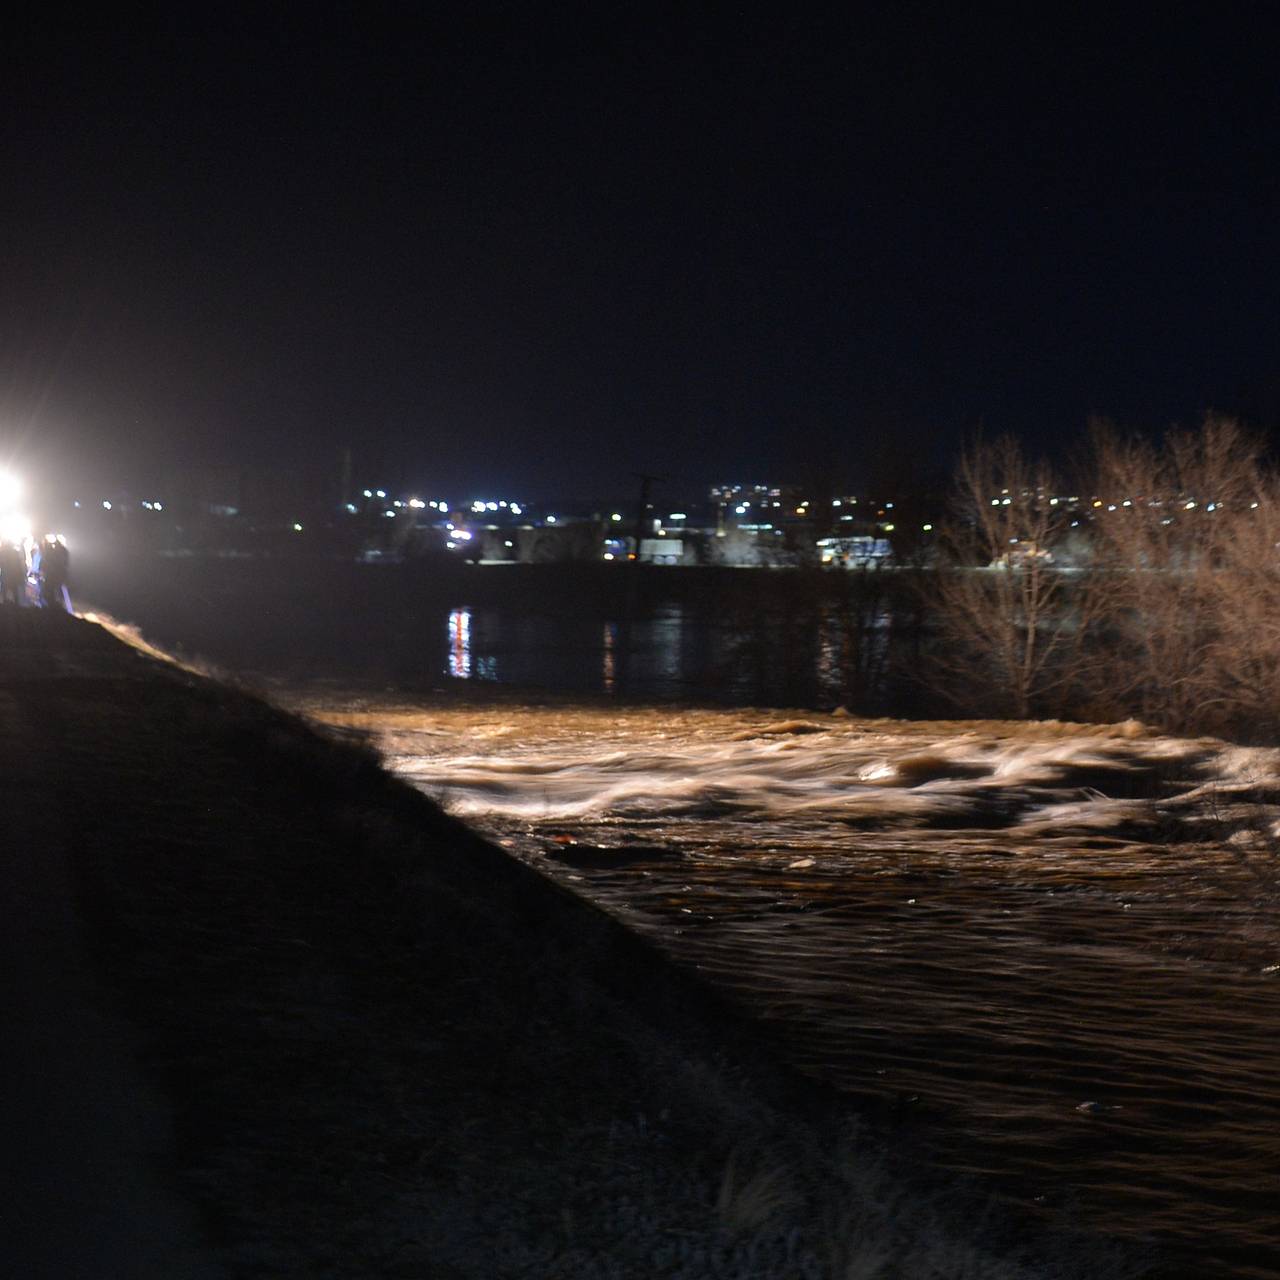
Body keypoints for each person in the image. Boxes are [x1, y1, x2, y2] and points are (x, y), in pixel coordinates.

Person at [41, 535, 70, 610]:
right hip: (59, 573)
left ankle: (54, 606)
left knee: (51, 589)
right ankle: (55, 605)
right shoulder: (63, 550)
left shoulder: (58, 551)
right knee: (54, 590)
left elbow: (52, 561)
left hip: (55, 573)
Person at [0, 540, 27, 605]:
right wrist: (22, 575)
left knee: (4, 591)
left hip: (5, 575)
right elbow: (18, 565)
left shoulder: (2, 553)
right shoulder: (15, 553)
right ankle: (16, 606)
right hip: (13, 576)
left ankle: (4, 605)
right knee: (15, 591)